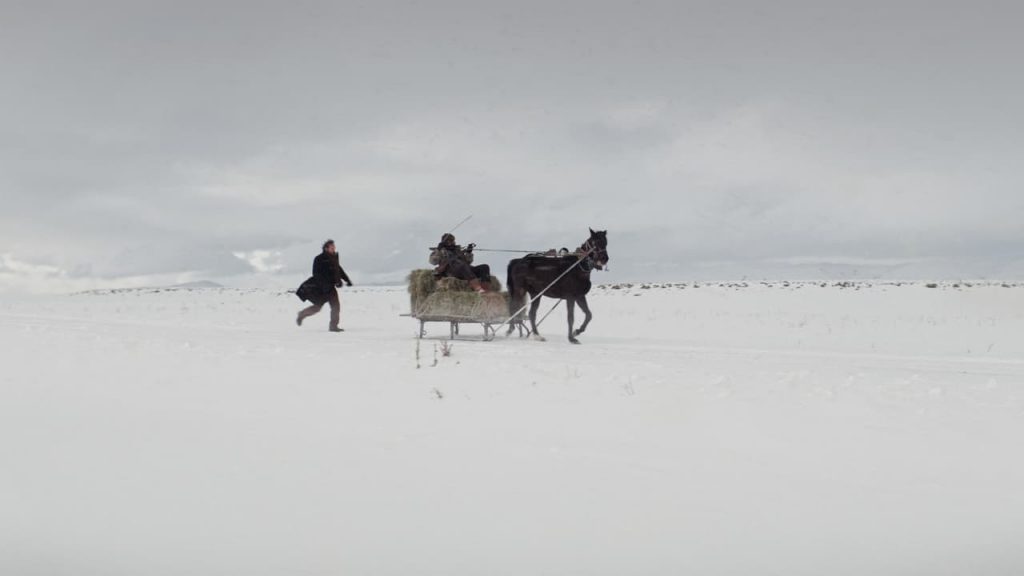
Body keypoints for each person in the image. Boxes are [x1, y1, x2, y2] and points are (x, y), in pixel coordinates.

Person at [296, 239, 352, 332]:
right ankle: (302, 315)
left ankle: (333, 326)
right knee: (322, 307)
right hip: (320, 288)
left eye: (334, 247)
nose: (334, 249)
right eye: (332, 247)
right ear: (326, 248)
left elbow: (339, 271)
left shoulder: (334, 259)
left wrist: (347, 280)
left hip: (330, 287)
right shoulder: (319, 259)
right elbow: (316, 274)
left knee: (332, 306)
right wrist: (326, 285)